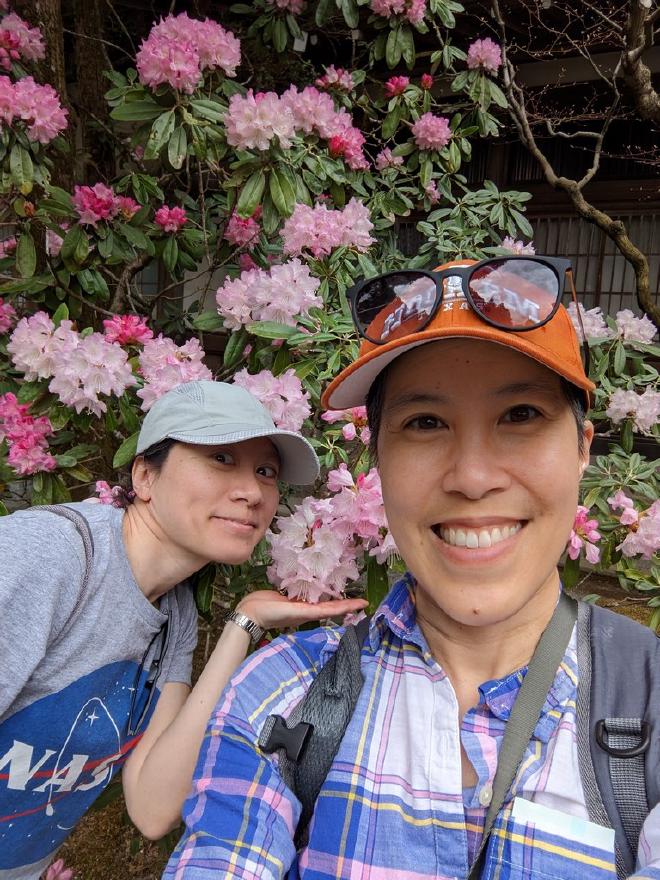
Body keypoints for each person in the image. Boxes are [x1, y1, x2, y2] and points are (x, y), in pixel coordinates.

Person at [162, 257, 659, 879]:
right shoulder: (281, 694)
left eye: (521, 415)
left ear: (583, 447)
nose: (473, 478)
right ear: (377, 464)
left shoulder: (650, 695)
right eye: (424, 423)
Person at [0, 380, 366, 880]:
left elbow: (154, 806)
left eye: (266, 471)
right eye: (220, 458)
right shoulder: (48, 556)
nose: (253, 491)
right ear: (145, 477)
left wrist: (245, 623)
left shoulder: (174, 615)